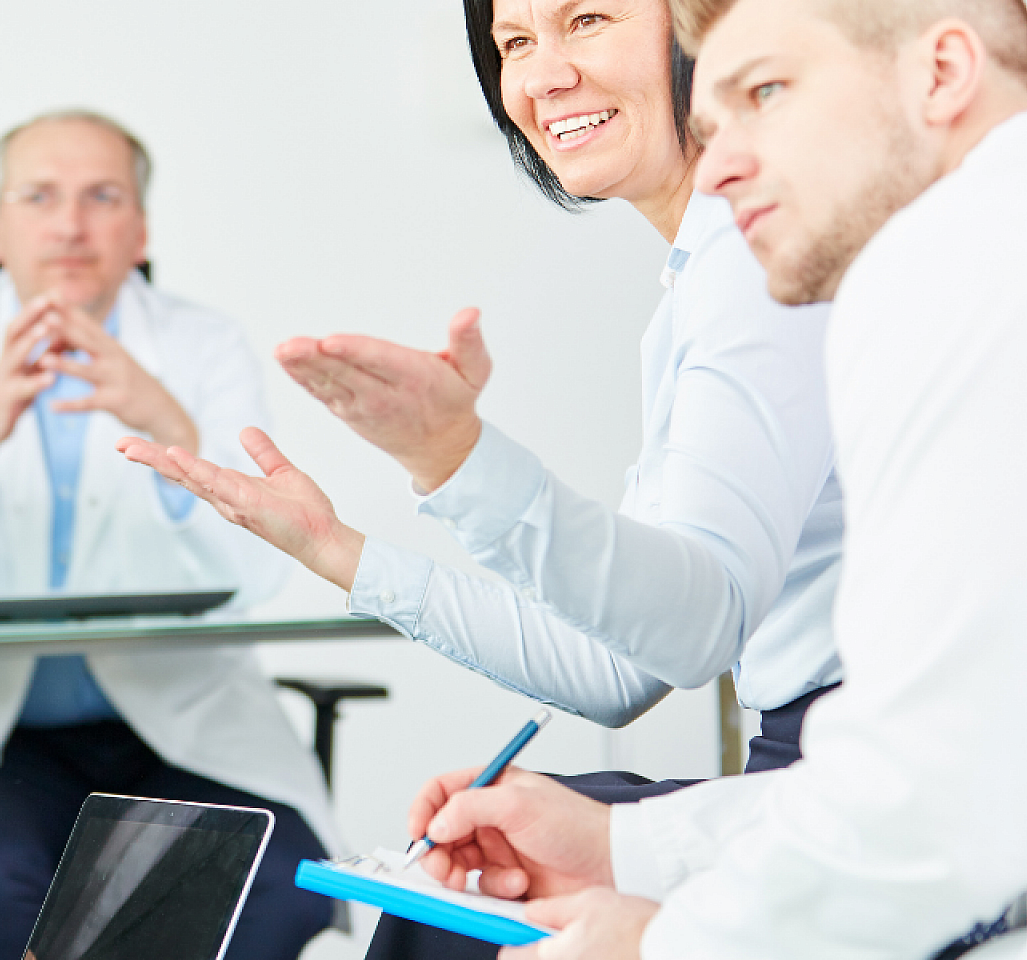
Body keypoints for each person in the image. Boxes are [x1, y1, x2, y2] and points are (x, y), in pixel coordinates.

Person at [119, 2, 842, 954]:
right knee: (459, 877)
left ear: (698, 23)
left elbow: (693, 630)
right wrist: (336, 551)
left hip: (851, 770)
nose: (544, 77)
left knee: (449, 914)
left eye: (585, 19)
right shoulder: (703, 274)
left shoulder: (755, 257)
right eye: (515, 43)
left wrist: (453, 460)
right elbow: (617, 668)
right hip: (812, 763)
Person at [398, 0, 1027, 956]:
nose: (725, 161)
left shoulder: (960, 279)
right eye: (713, 117)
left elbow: (932, 799)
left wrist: (660, 939)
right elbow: (949, 765)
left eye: (769, 94)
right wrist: (633, 851)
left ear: (943, 72)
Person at [0, 110, 336, 960]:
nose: (70, 224)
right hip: (0, 743)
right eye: (39, 197)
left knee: (276, 879)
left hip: (187, 727)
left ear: (140, 229)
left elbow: (265, 569)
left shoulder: (202, 347)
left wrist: (164, 420)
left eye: (102, 197)